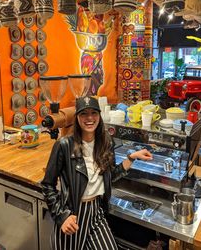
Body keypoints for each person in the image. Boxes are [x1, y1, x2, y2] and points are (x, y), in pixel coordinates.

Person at [41, 96, 153, 250]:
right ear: (77, 118)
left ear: (99, 116)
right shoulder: (64, 145)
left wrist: (131, 158)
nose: (89, 118)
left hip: (96, 212)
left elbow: (110, 176)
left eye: (94, 113)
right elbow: (47, 185)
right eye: (83, 114)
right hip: (73, 214)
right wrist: (61, 216)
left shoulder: (106, 142)